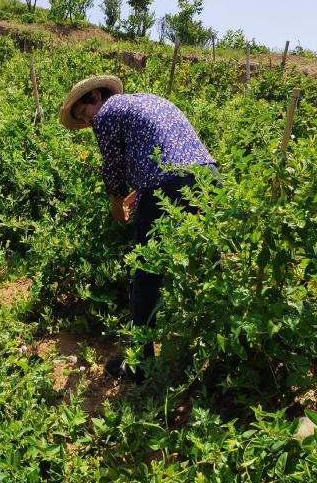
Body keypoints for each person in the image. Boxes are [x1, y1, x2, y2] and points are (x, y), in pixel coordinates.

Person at [58, 76, 216, 382]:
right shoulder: (147, 101)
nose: (88, 121)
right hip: (207, 177)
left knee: (148, 271)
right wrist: (142, 192)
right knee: (204, 262)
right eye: (81, 119)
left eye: (83, 113)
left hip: (168, 184)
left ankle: (141, 365)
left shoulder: (105, 115)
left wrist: (116, 203)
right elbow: (162, 151)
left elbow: (114, 167)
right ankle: (214, 356)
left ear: (94, 97)